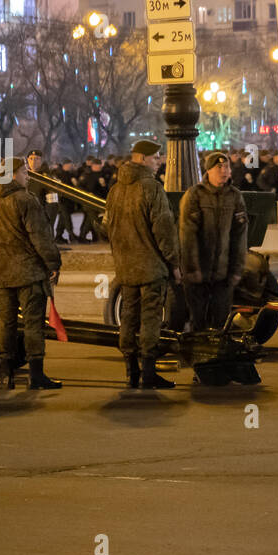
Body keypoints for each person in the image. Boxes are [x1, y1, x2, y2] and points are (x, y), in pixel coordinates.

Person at [0, 156, 63, 390]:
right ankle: (36, 375)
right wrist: (53, 264)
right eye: (23, 172)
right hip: (29, 274)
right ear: (11, 175)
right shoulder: (26, 200)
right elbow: (40, 237)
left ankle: (6, 375)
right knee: (33, 325)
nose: (28, 176)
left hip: (0, 275)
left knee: (5, 325)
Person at [104, 139, 180, 390]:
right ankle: (148, 371)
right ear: (142, 159)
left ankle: (131, 370)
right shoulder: (152, 188)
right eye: (156, 157)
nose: (159, 162)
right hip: (151, 267)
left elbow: (109, 228)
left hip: (125, 267)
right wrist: (174, 262)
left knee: (128, 318)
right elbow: (164, 230)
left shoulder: (115, 190)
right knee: (150, 319)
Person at [180, 151, 248, 331]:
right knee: (198, 322)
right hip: (198, 274)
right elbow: (187, 235)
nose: (224, 171)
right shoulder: (195, 195)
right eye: (219, 167)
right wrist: (192, 270)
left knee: (221, 322)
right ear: (208, 171)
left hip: (223, 274)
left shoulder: (234, 196)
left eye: (226, 167)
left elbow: (239, 236)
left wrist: (236, 270)